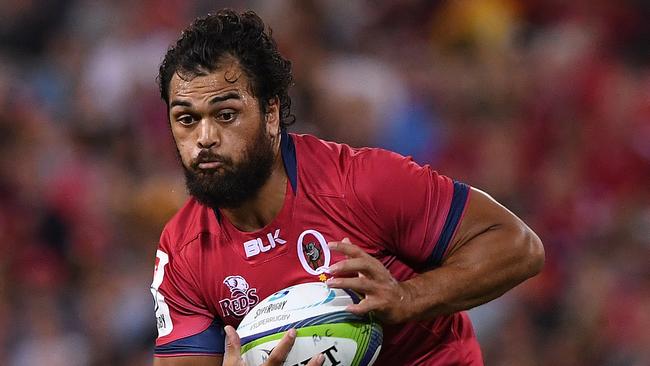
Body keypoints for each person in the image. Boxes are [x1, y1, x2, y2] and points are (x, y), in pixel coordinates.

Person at [150, 8, 544, 366]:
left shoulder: (361, 183)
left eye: (225, 114)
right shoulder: (182, 250)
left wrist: (408, 299)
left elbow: (518, 245)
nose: (204, 138)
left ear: (271, 113)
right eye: (186, 119)